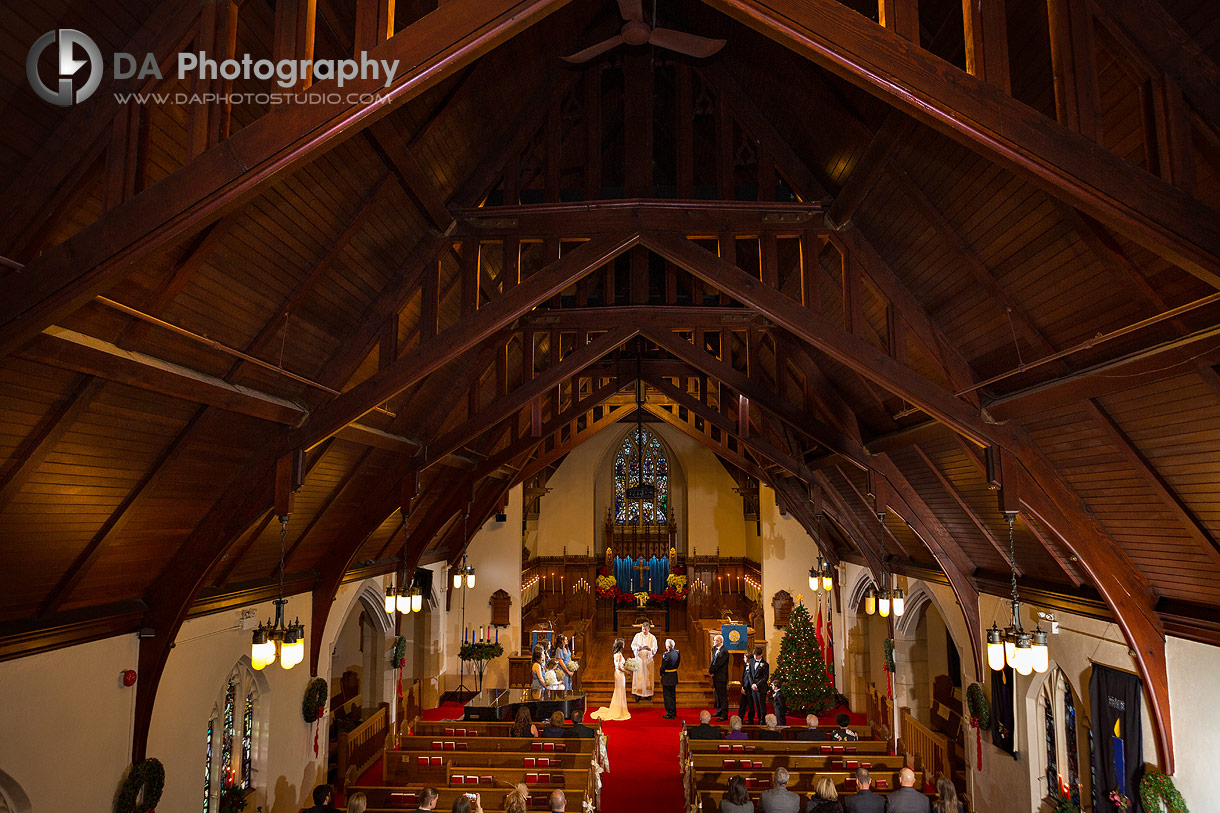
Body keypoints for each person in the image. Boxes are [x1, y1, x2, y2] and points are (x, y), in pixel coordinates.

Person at [589, 638, 631, 721]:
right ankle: (619, 710)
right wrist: (627, 671)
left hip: (618, 674)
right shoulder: (618, 655)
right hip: (620, 674)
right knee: (619, 691)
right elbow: (619, 667)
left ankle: (620, 708)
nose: (624, 645)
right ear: (620, 645)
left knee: (619, 690)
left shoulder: (616, 653)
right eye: (623, 643)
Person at [631, 621, 658, 701]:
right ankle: (638, 694)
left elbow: (655, 648)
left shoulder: (652, 637)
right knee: (638, 675)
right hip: (639, 659)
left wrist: (650, 649)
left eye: (645, 629)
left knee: (647, 676)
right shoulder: (637, 636)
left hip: (648, 659)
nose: (644, 631)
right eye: (643, 629)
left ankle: (648, 694)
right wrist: (637, 649)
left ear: (649, 629)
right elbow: (633, 645)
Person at [708, 634, 730, 720]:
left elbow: (718, 664)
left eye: (715, 640)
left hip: (721, 677)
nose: (713, 642)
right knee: (718, 695)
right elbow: (713, 662)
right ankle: (719, 711)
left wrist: (711, 671)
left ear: (719, 641)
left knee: (722, 696)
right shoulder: (716, 650)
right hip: (716, 676)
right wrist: (710, 670)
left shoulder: (724, 651)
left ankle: (724, 714)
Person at [747, 647, 769, 726]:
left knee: (761, 705)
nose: (755, 657)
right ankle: (759, 718)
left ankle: (763, 720)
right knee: (756, 705)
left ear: (761, 655)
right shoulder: (752, 661)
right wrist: (752, 684)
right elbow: (749, 673)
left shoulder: (765, 664)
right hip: (753, 687)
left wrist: (757, 684)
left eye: (757, 655)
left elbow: (765, 677)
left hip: (761, 687)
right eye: (755, 655)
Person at [660, 638, 680, 718]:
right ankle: (673, 711)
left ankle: (670, 713)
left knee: (667, 696)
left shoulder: (666, 655)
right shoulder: (677, 653)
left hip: (667, 676)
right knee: (673, 695)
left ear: (668, 645)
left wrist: (661, 673)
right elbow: (678, 663)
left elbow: (663, 667)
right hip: (674, 675)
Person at [736, 651, 753, 723]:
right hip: (745, 688)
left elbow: (750, 679)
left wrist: (745, 687)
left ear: (749, 659)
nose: (743, 659)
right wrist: (743, 687)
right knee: (742, 704)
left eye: (745, 657)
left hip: (749, 689)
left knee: (750, 705)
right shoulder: (746, 665)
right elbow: (744, 678)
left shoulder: (752, 666)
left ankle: (750, 719)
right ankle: (740, 718)